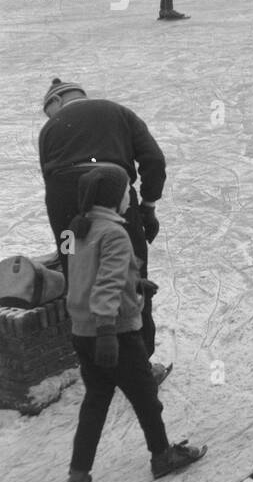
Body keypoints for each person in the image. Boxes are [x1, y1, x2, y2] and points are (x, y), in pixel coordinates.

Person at [62, 164, 206, 482]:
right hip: (116, 334)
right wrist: (109, 331)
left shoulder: (82, 229)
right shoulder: (114, 233)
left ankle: (78, 474)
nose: (131, 195)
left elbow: (88, 277)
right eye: (128, 190)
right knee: (146, 398)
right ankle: (162, 456)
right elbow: (107, 285)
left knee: (95, 403)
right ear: (115, 197)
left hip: (82, 332)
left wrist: (135, 283)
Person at [39, 79, 167, 368]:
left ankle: (91, 356)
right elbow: (154, 160)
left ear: (56, 102)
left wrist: (70, 240)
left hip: (63, 202)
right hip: (114, 192)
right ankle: (139, 362)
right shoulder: (118, 112)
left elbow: (50, 182)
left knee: (73, 263)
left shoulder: (49, 129)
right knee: (131, 268)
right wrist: (147, 207)